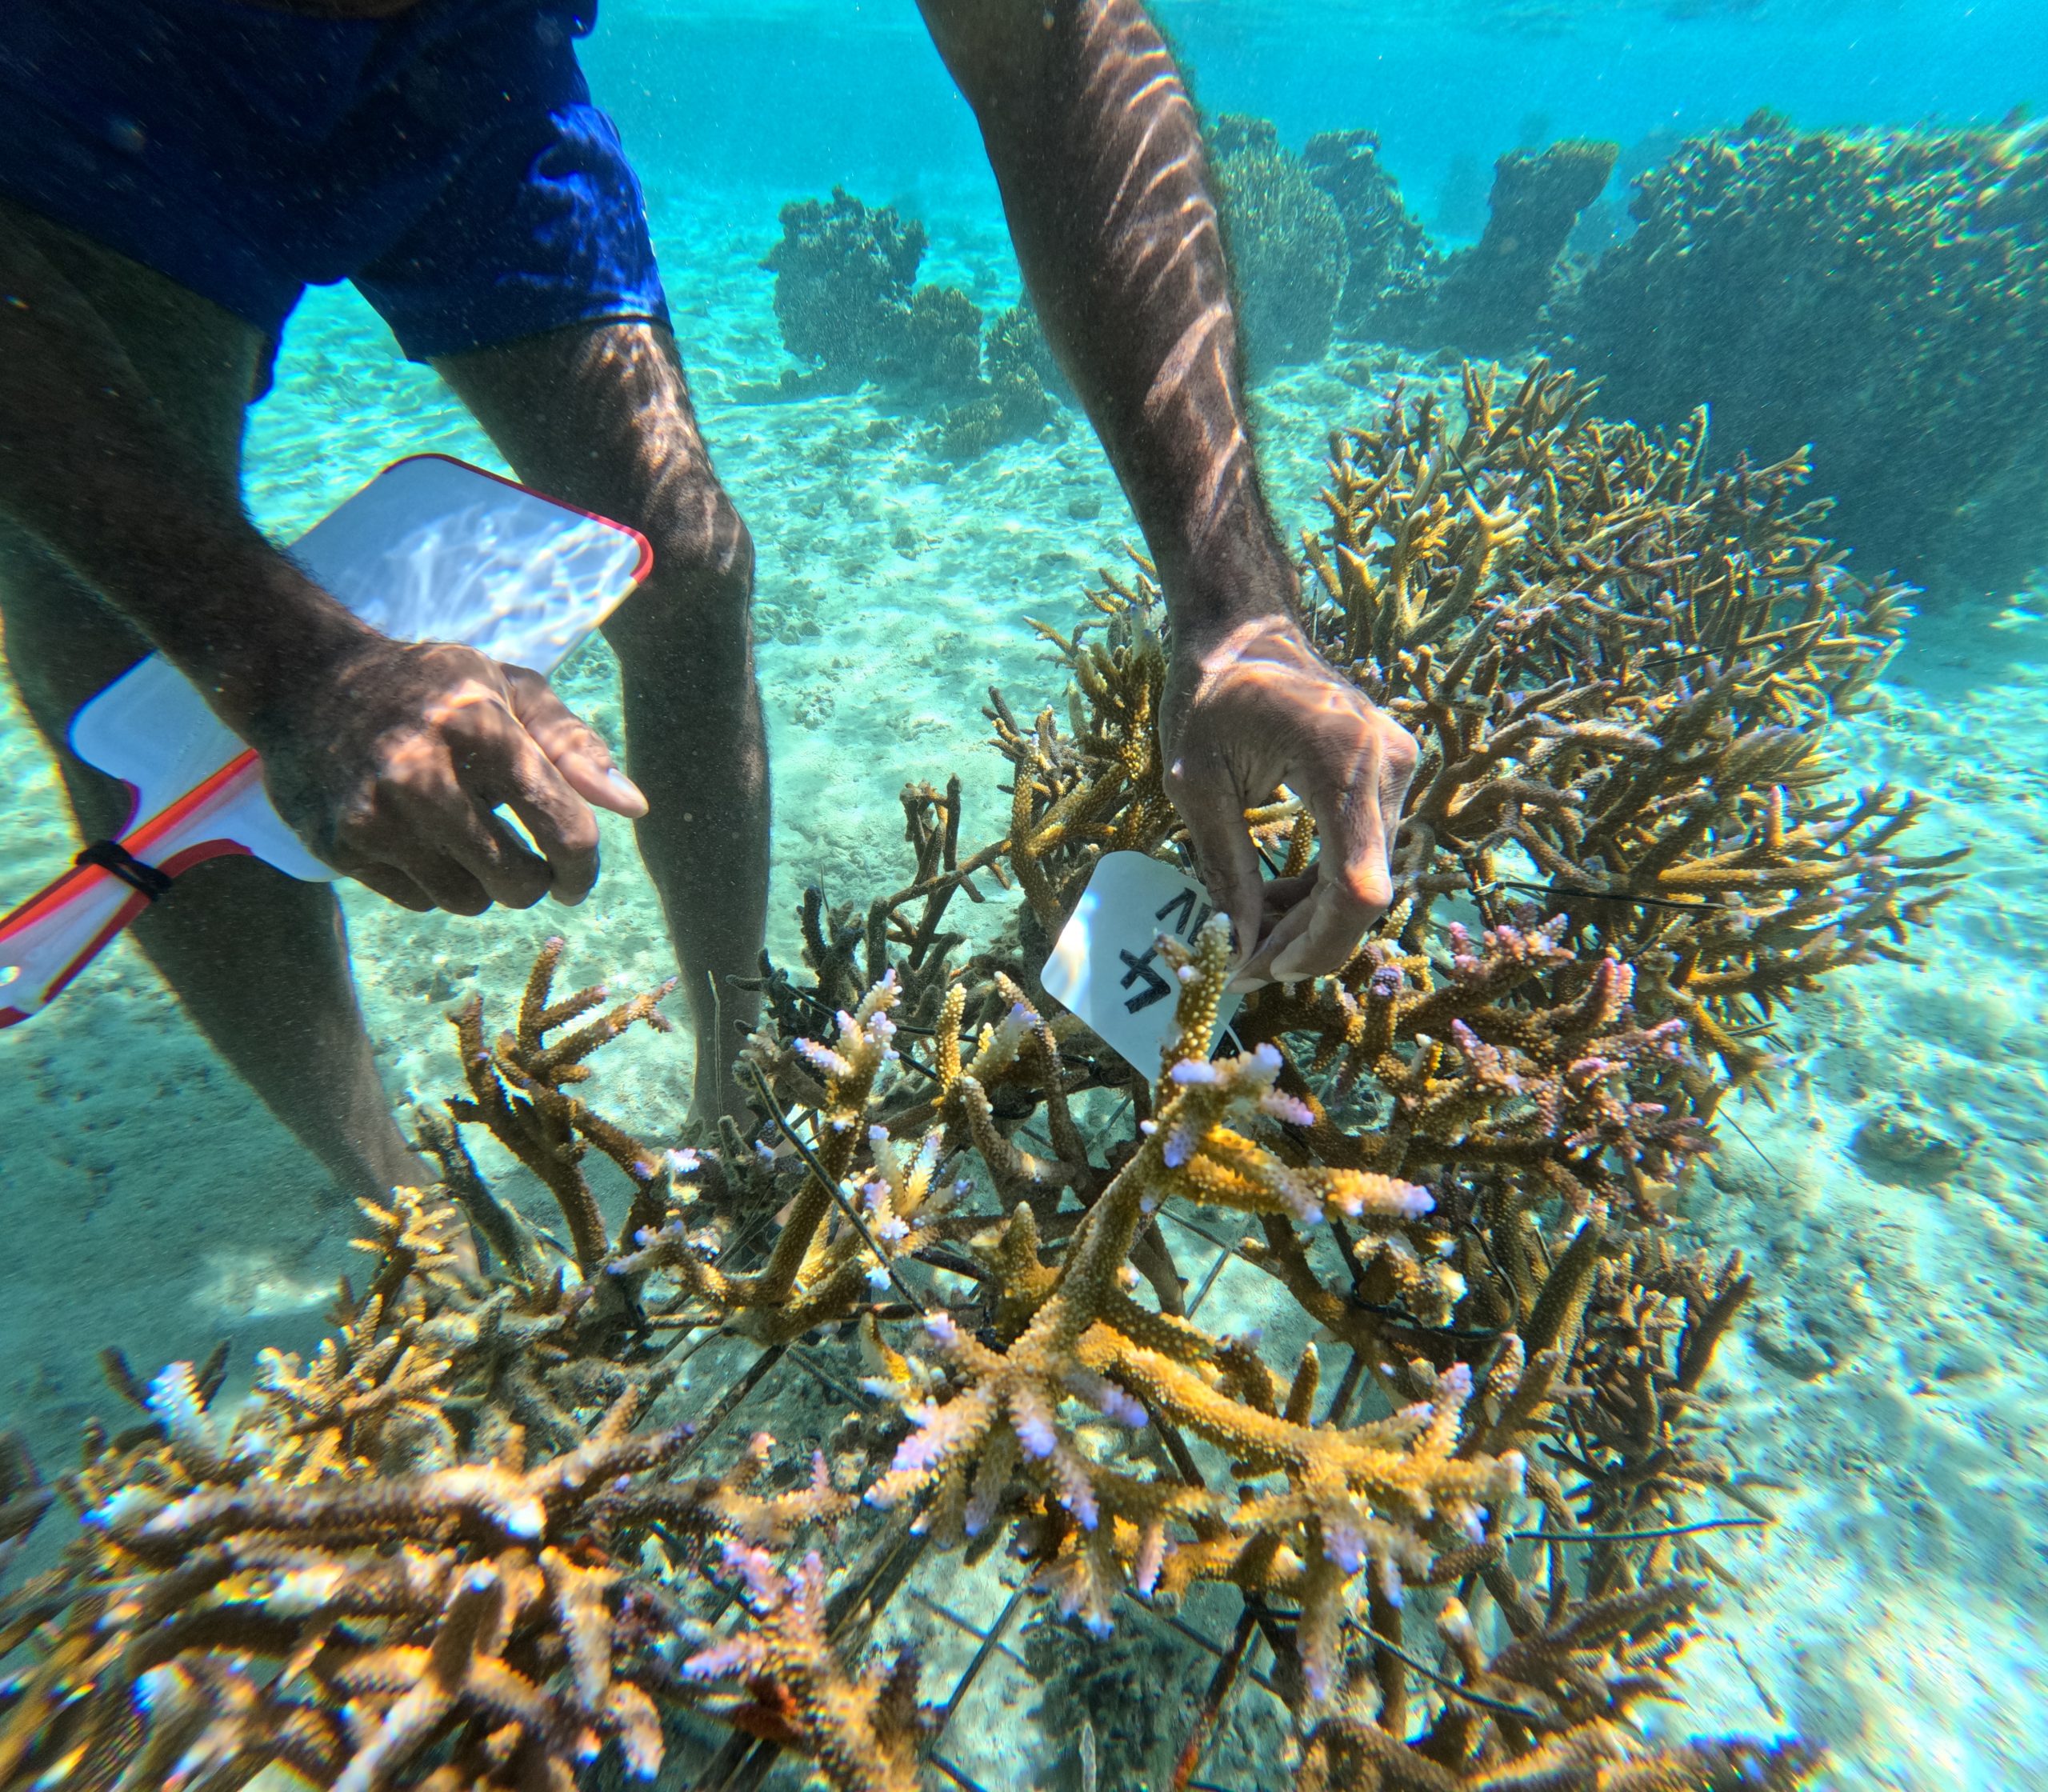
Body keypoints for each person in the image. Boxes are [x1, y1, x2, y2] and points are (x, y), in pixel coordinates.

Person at [0, 0, 1417, 1202]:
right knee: (132, 678)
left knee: (686, 563)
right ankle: (407, 1227)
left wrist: (1238, 609)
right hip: (93, 80)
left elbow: (1055, 46)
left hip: (467, 63)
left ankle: (736, 1093)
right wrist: (282, 659)